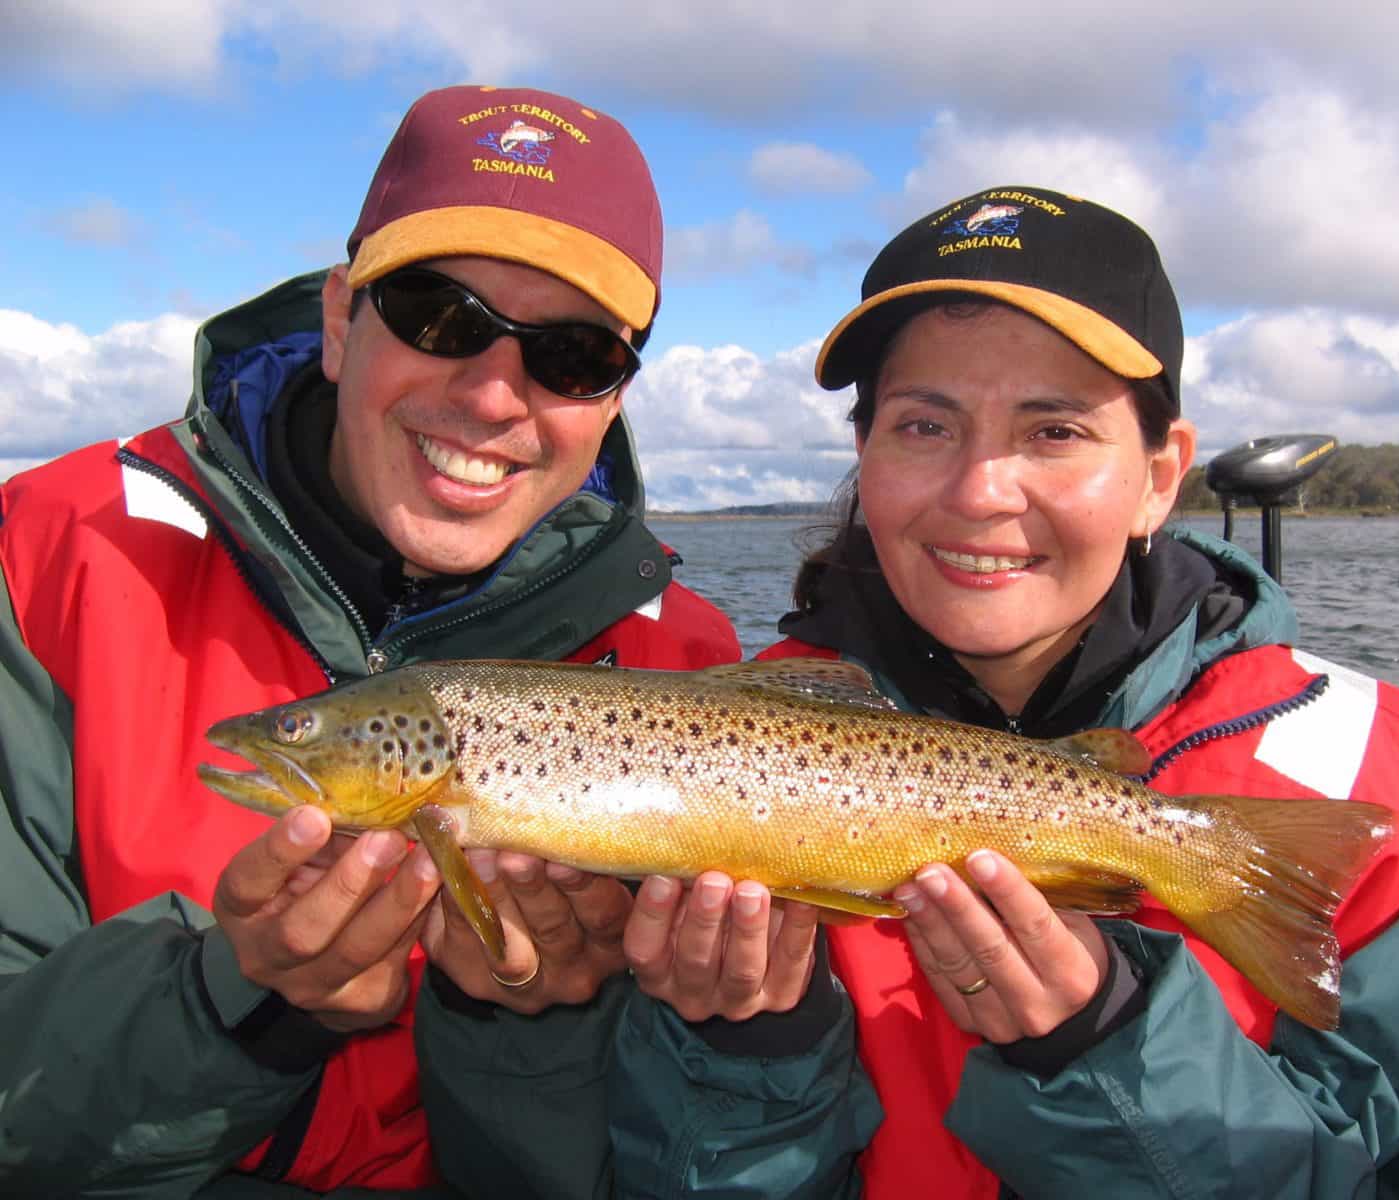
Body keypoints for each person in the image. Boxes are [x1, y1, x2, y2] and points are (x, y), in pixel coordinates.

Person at [0, 85, 871, 1198]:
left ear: (613, 399)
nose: (493, 390)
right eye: (438, 315)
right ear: (337, 317)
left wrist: (531, 1030)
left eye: (568, 354)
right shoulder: (53, 558)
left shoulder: (688, 655)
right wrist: (230, 1002)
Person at [757, 186, 1399, 1197]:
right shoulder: (710, 734)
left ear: (1159, 474)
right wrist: (738, 1048)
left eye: (1053, 432)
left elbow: (1398, 1176)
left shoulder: (1368, 780)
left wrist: (1107, 1042)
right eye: (924, 426)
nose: (979, 492)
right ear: (864, 453)